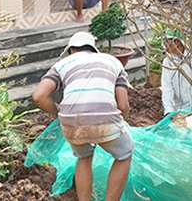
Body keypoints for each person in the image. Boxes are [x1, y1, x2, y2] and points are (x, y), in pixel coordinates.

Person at [32, 32, 132, 201]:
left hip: (71, 120)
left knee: (84, 157)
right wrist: (120, 123)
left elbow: (39, 96)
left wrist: (60, 113)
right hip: (105, 118)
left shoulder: (62, 64)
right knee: (124, 154)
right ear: (94, 50)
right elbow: (123, 105)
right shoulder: (113, 61)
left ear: (71, 50)